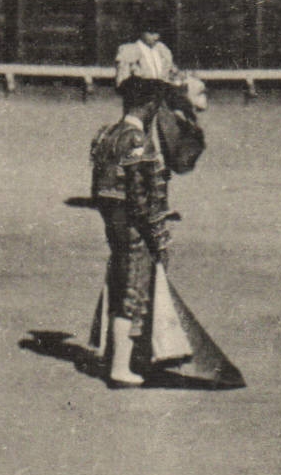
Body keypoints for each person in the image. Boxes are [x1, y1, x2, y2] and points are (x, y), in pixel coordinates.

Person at [88, 77, 241, 388]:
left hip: (113, 224)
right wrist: (157, 234)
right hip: (135, 229)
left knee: (120, 287)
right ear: (148, 106)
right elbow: (142, 200)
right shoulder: (137, 141)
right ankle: (120, 367)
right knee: (133, 292)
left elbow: (100, 190)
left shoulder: (106, 134)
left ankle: (121, 359)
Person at [114, 23, 182, 87]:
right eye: (151, 33)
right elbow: (122, 82)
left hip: (163, 95)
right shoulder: (128, 51)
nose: (156, 37)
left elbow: (174, 74)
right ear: (141, 33)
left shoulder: (163, 50)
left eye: (158, 33)